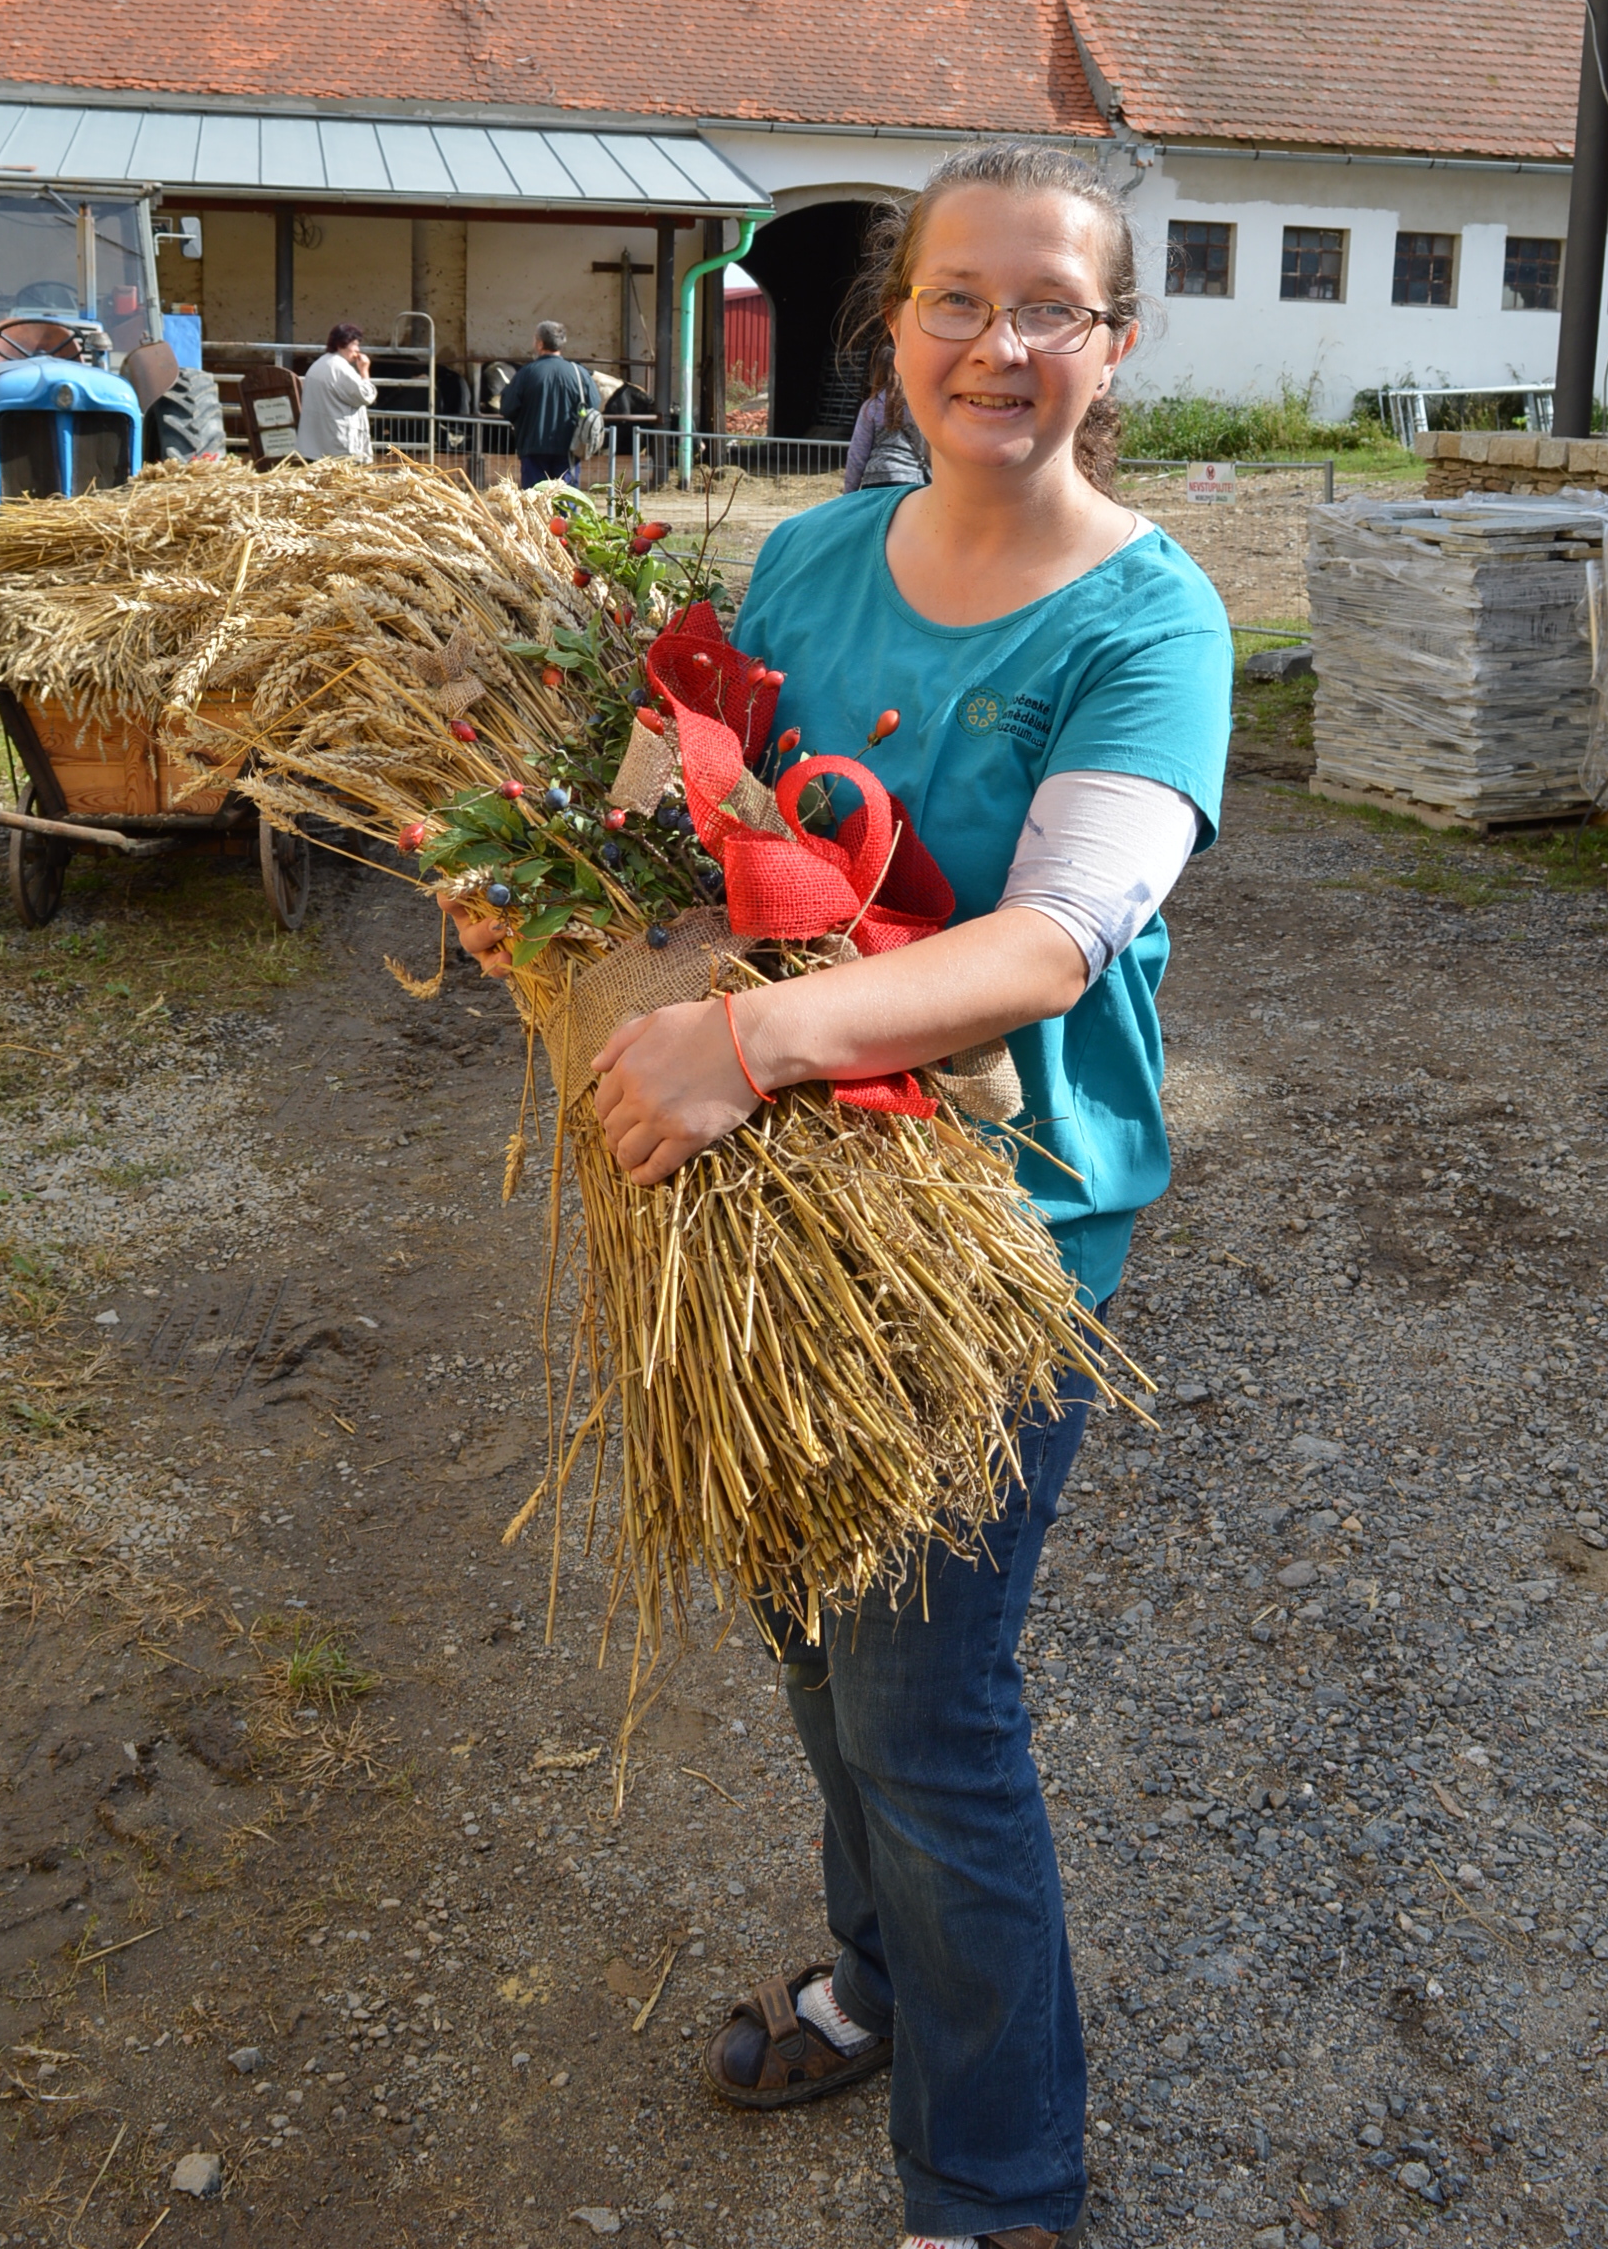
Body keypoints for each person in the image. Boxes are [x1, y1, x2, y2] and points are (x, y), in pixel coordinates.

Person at [457, 144, 1231, 2249]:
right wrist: (540, 881)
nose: (998, 343)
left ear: (1111, 346)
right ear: (891, 328)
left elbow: (1056, 939)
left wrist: (748, 1044)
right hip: (772, 1200)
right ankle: (886, 1983)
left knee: (925, 1699)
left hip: (984, 1225)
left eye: (1048, 306)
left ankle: (998, 2188)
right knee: (813, 1643)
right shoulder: (805, 559)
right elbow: (660, 800)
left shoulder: (1148, 617)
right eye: (955, 299)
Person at [498, 320, 599, 487]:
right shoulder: (579, 373)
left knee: (535, 504)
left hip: (533, 449)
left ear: (539, 343)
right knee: (565, 502)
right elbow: (593, 406)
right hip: (569, 449)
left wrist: (524, 422)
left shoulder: (526, 373)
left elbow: (508, 408)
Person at [843, 337, 931, 490]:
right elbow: (926, 446)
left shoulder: (871, 407)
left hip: (875, 483)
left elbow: (857, 454)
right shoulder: (916, 405)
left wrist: (849, 493)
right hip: (911, 480)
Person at [295, 320, 377, 461]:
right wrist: (364, 371)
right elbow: (366, 396)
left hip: (316, 444)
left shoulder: (319, 363)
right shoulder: (340, 368)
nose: (358, 349)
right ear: (341, 344)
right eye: (354, 344)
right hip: (338, 446)